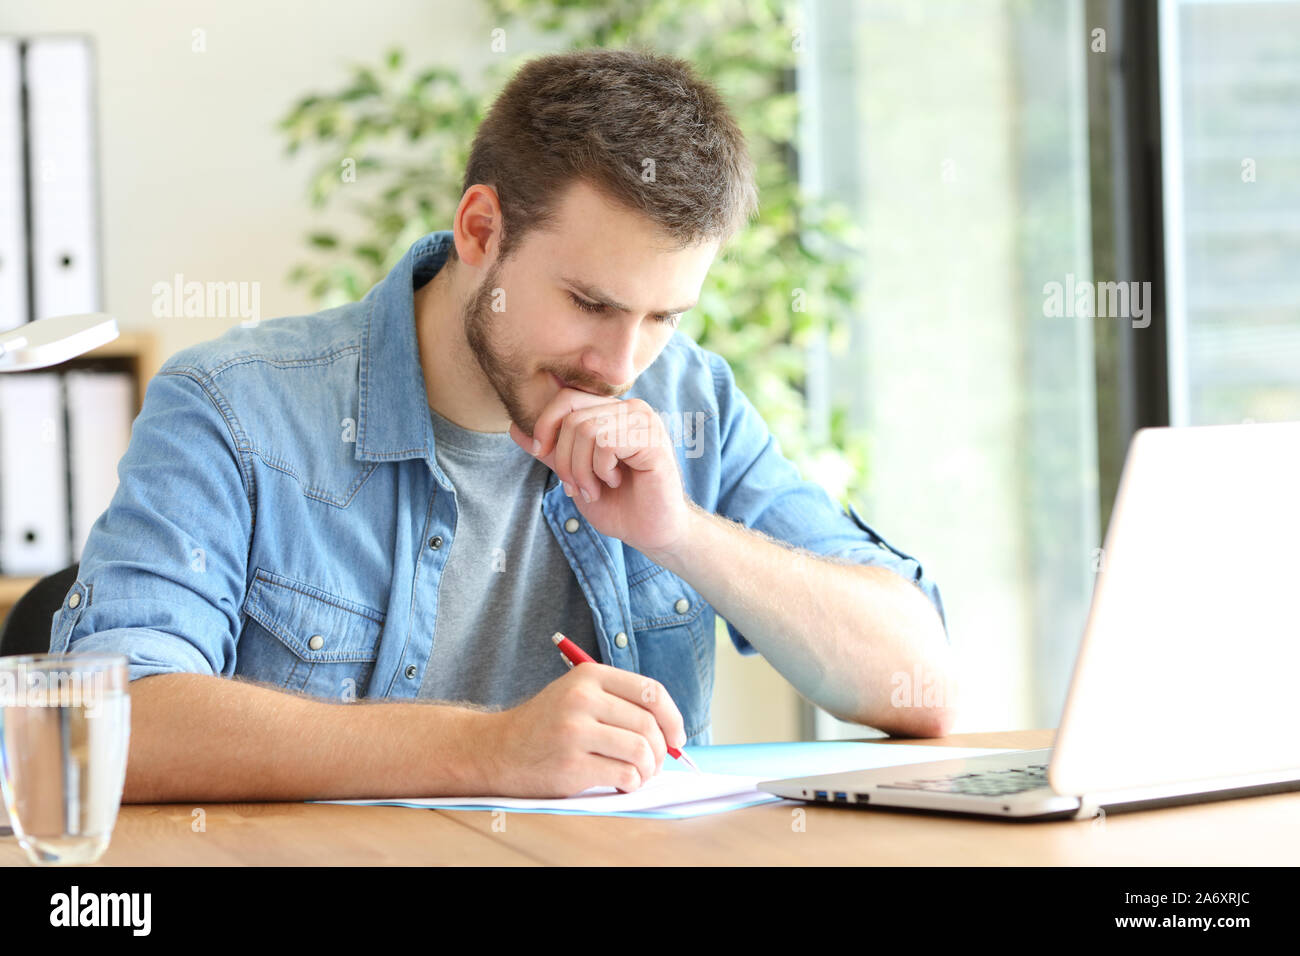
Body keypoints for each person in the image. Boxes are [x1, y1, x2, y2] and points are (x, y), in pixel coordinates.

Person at [52, 47, 954, 803]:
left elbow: (920, 681)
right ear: (481, 229)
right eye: (589, 302)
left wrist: (682, 534)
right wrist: (486, 750)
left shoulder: (688, 403)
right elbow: (102, 729)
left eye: (664, 316)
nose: (620, 362)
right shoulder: (234, 409)